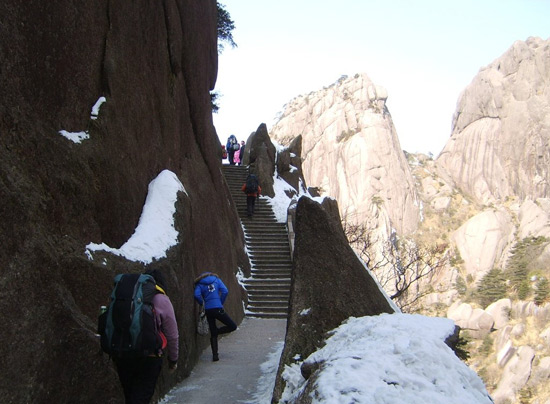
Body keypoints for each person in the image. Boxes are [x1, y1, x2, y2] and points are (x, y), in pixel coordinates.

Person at [113, 269, 179, 404]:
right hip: (149, 356)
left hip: (123, 352)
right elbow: (172, 335)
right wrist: (173, 359)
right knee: (141, 397)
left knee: (130, 395)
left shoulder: (126, 296)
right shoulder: (161, 299)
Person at [193, 272, 237, 361]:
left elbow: (196, 295)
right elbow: (225, 291)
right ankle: (218, 331)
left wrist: (202, 303)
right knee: (232, 326)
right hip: (218, 308)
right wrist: (220, 302)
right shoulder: (217, 280)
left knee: (212, 330)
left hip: (208, 310)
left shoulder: (200, 283)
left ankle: (215, 355)